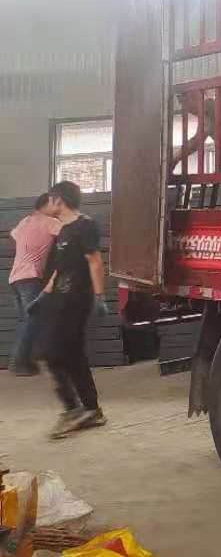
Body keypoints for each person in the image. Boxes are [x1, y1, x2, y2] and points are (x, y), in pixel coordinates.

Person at [38, 181, 107, 437]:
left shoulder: (84, 225)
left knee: (57, 352)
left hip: (77, 300)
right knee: (67, 354)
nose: (48, 203)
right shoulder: (63, 230)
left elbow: (94, 261)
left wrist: (99, 296)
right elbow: (61, 267)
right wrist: (46, 292)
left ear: (59, 200)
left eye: (50, 198)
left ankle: (77, 408)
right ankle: (89, 409)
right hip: (60, 300)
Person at [8, 192, 61, 376]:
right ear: (45, 205)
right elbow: (70, 231)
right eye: (55, 203)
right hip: (30, 277)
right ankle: (19, 362)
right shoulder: (50, 222)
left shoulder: (24, 222)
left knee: (25, 321)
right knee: (32, 320)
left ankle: (24, 361)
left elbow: (13, 234)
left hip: (15, 278)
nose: (57, 207)